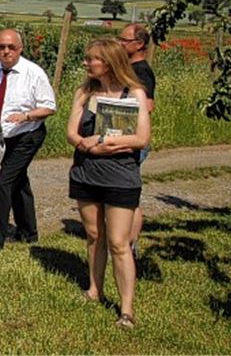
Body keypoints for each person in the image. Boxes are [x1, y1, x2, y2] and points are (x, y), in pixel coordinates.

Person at [65, 38, 150, 329]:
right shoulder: (84, 92)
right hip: (87, 172)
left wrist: (103, 142)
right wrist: (87, 146)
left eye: (92, 59)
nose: (86, 63)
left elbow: (141, 138)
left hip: (120, 177)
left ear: (110, 62)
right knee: (93, 235)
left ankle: (126, 309)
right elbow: (71, 133)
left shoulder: (134, 93)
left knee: (118, 242)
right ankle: (94, 289)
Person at [0, 29, 56, 253]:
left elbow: (50, 106)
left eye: (11, 47)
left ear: (20, 49)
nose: (6, 51)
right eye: (1, 47)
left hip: (27, 134)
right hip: (3, 135)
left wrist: (26, 116)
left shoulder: (33, 73)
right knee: (19, 181)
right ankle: (28, 232)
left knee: (4, 182)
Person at [119, 23, 156, 259]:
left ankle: (130, 244)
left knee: (130, 196)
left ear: (139, 44)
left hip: (130, 138)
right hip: (120, 136)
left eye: (124, 40)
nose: (120, 44)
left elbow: (148, 106)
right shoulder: (129, 69)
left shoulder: (141, 72)